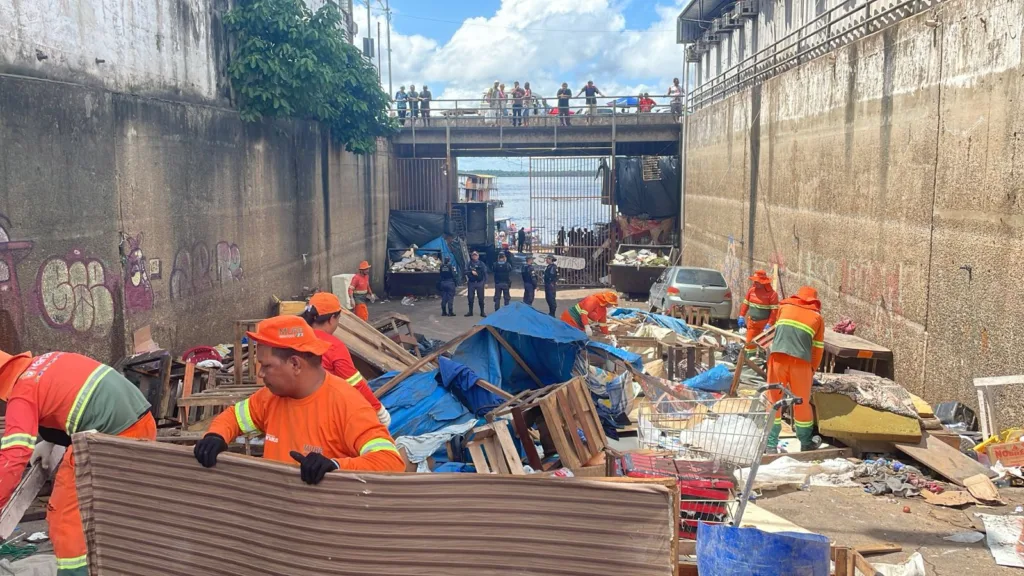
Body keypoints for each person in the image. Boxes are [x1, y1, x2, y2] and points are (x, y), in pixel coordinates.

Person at [0, 349, 156, 576]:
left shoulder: (22, 393)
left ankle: (75, 572)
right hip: (141, 423)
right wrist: (51, 441)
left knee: (65, 517)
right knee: (108, 512)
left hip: (110, 438)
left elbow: (13, 458)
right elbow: (70, 401)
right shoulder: (47, 361)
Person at [195, 316, 404, 483]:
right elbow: (234, 417)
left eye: (266, 366)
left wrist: (336, 466)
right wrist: (216, 436)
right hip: (278, 514)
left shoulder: (347, 404)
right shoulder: (270, 398)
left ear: (295, 364)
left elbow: (390, 462)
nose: (260, 375)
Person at [300, 293, 392, 426]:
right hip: (322, 415)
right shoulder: (333, 346)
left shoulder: (295, 337)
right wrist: (379, 411)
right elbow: (354, 383)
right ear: (332, 319)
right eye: (338, 318)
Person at [765, 286, 825, 453]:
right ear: (814, 301)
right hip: (801, 364)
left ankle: (770, 444)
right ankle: (806, 443)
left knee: (773, 400)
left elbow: (777, 332)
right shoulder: (817, 317)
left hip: (777, 359)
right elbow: (818, 348)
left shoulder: (783, 307)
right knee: (801, 402)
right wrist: (812, 368)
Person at [738, 270, 780, 358]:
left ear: (763, 282)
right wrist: (741, 316)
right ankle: (750, 363)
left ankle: (762, 362)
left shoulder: (772, 295)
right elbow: (746, 304)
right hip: (752, 324)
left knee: (763, 345)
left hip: (764, 326)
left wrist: (769, 324)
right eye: (755, 281)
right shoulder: (751, 291)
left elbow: (774, 312)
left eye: (757, 281)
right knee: (749, 344)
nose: (755, 283)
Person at [464, 251, 488, 317]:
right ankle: (470, 312)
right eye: (473, 255)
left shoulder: (481, 264)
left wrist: (486, 283)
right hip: (471, 283)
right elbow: (465, 272)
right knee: (470, 298)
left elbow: (485, 273)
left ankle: (482, 312)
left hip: (480, 283)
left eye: (476, 255)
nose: (474, 256)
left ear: (478, 256)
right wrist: (471, 272)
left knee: (481, 298)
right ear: (471, 256)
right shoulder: (469, 264)